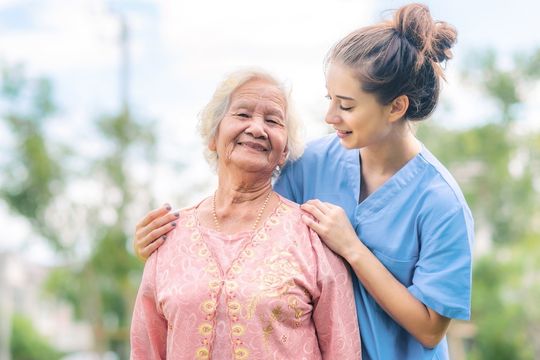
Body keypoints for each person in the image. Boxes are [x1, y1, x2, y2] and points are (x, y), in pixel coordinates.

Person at [134, 4, 473, 359]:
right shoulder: (311, 163)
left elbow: (430, 328)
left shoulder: (441, 203)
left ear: (395, 107)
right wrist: (169, 249)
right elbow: (246, 215)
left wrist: (353, 248)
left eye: (346, 105)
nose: (330, 116)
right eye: (330, 99)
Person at [130, 69, 361, 359]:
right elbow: (146, 350)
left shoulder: (313, 238)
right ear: (214, 136)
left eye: (273, 120)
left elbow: (344, 350)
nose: (256, 128)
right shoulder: (168, 237)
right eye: (242, 115)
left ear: (284, 150)